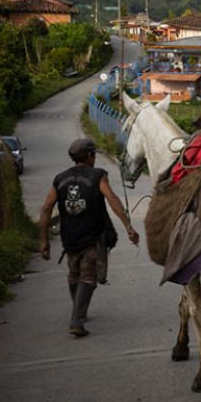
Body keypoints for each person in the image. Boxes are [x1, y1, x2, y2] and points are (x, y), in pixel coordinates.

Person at [38, 138, 139, 337]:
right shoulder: (97, 175)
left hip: (69, 238)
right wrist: (128, 225)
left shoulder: (60, 178)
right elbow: (111, 198)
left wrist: (43, 240)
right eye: (95, 155)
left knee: (74, 274)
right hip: (91, 237)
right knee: (88, 278)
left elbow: (46, 207)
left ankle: (79, 312)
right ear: (91, 156)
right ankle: (76, 319)